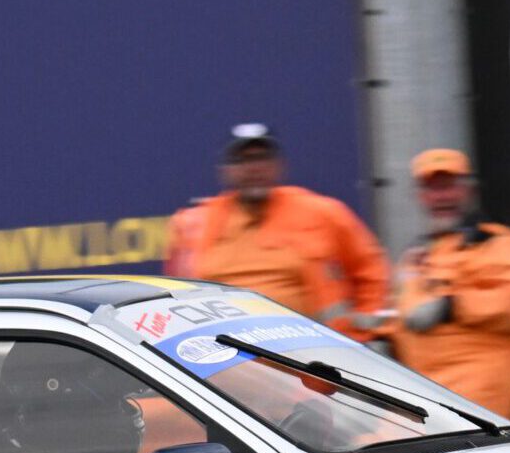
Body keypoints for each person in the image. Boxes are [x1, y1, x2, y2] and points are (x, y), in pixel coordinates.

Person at [164, 124, 387, 333]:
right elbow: (175, 296)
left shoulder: (323, 213)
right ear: (225, 171)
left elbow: (372, 271)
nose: (254, 168)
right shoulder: (194, 224)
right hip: (226, 359)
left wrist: (361, 333)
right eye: (243, 160)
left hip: (315, 356)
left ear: (279, 166)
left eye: (262, 158)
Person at [388, 147, 510, 420]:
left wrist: (451, 306)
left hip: (476, 389)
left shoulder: (496, 242)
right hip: (422, 393)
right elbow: (405, 313)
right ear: (421, 196)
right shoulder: (416, 254)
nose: (442, 197)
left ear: (468, 191)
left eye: (449, 186)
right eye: (433, 188)